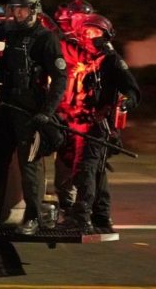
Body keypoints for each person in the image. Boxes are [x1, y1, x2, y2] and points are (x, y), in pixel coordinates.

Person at [0, 0, 67, 235]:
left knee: (29, 166)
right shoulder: (12, 31)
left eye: (21, 9)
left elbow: (61, 78)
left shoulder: (46, 38)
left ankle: (33, 218)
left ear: (34, 10)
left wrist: (46, 112)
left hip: (30, 110)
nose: (16, 13)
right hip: (6, 105)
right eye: (14, 9)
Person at [58, 14, 140, 232]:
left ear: (106, 35)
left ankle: (81, 218)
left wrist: (127, 102)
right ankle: (102, 216)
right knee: (96, 171)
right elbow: (62, 43)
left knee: (84, 169)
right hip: (76, 124)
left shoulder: (112, 60)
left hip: (96, 125)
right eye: (86, 32)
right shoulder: (83, 56)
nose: (89, 35)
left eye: (95, 32)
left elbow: (131, 88)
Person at [52, 0, 95, 215]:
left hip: (87, 116)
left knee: (87, 166)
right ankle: (68, 205)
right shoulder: (63, 43)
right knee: (66, 160)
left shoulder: (94, 44)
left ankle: (87, 210)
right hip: (67, 112)